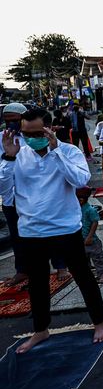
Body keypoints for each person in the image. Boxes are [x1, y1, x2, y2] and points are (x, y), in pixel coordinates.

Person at [0, 108, 103, 353]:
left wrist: (56, 152)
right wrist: (8, 159)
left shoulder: (68, 151)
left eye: (37, 132)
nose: (31, 137)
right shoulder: (18, 155)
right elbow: (4, 192)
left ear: (50, 128)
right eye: (26, 133)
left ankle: (99, 323)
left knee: (84, 277)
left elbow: (80, 181)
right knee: (38, 284)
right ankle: (40, 330)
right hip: (31, 231)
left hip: (65, 228)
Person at [0, 103, 27, 286]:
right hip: (10, 196)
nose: (11, 125)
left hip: (34, 195)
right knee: (17, 235)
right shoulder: (0, 138)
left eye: (15, 121)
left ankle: (60, 265)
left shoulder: (33, 137)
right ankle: (22, 270)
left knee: (46, 233)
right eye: (7, 121)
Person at [77, 187, 103, 283]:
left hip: (91, 240)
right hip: (80, 239)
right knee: (83, 260)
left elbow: (94, 223)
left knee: (98, 258)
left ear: (81, 200)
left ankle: (102, 274)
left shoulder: (90, 210)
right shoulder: (76, 209)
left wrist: (90, 237)